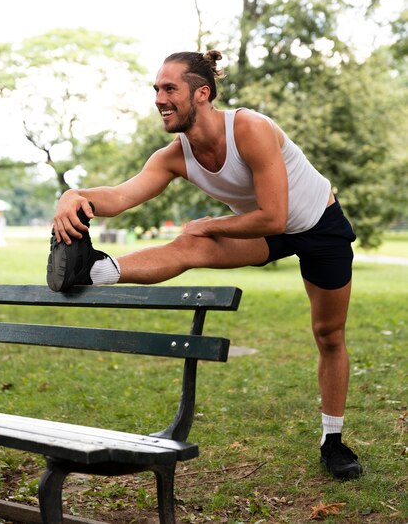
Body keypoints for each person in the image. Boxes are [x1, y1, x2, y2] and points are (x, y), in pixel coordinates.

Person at [47, 49, 362, 480]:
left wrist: (209, 224)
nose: (159, 98)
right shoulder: (174, 155)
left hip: (318, 225)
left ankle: (333, 440)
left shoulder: (248, 128)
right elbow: (120, 197)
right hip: (267, 231)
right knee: (189, 247)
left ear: (201, 94)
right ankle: (95, 269)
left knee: (328, 334)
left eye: (169, 88)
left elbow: (273, 213)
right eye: (156, 89)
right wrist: (73, 195)